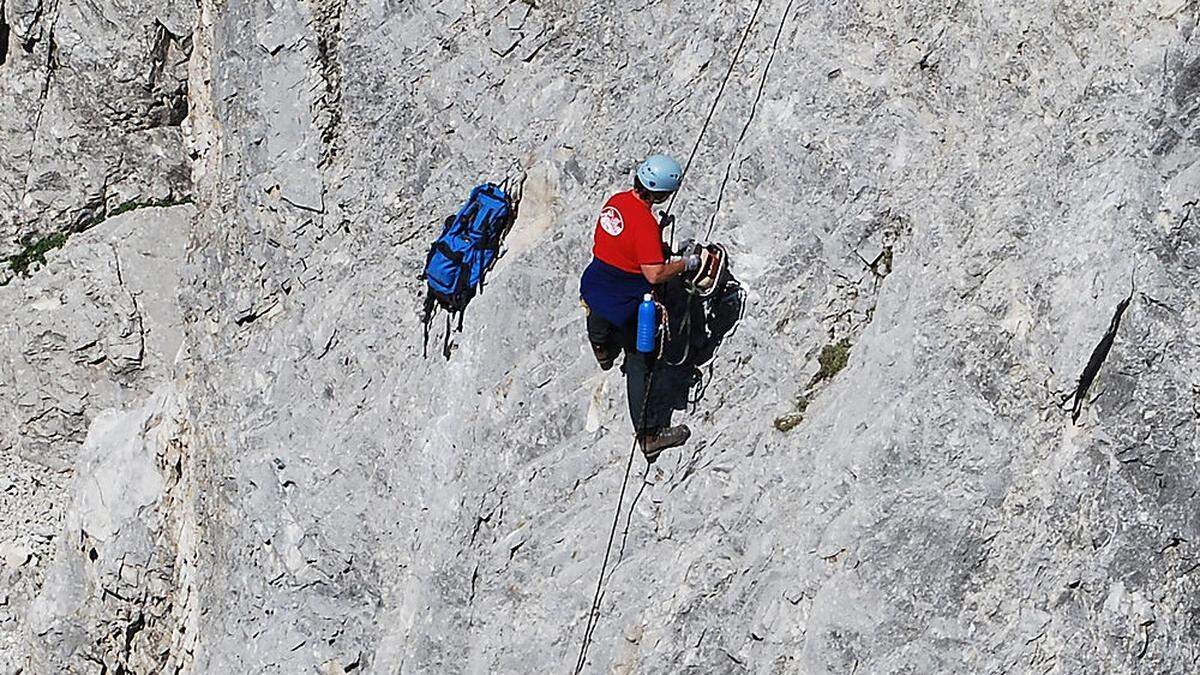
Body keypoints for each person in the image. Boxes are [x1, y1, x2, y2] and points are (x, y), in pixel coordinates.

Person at [579, 154, 701, 462]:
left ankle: (603, 349)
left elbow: (623, 242)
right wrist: (685, 263)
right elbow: (654, 274)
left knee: (598, 312)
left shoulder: (617, 201)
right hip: (625, 301)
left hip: (595, 284)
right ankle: (648, 435)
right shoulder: (646, 224)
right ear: (662, 194)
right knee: (639, 363)